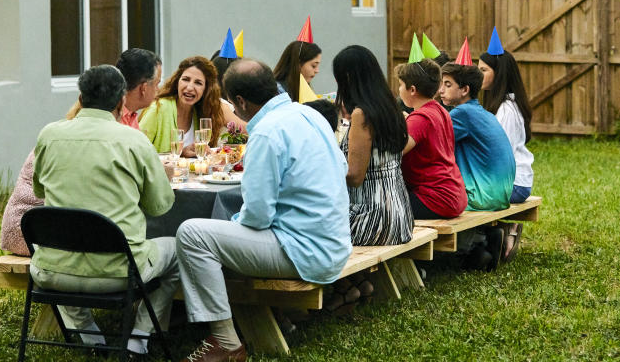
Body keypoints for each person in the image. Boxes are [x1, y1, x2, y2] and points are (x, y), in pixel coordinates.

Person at [175, 59, 351, 362]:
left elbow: (257, 215)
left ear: (240, 101)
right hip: (334, 243)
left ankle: (225, 341)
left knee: (192, 233)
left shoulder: (267, 132)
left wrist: (229, 221)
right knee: (221, 231)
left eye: (232, 102)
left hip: (303, 251)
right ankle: (276, 314)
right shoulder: (309, 114)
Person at [31, 65, 177, 355]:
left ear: (81, 98)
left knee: (66, 246)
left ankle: (90, 336)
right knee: (179, 249)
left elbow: (39, 191)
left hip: (50, 271)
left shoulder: (49, 134)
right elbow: (159, 206)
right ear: (121, 101)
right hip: (120, 272)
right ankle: (139, 338)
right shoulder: (134, 141)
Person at [0, 48, 163, 254]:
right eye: (157, 82)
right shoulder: (109, 133)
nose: (159, 88)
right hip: (38, 234)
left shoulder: (62, 130)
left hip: (50, 230)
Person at [334, 45, 414, 246]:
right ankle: (358, 280)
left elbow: (354, 177)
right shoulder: (391, 108)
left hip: (372, 218)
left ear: (349, 78)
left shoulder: (362, 115)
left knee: (307, 228)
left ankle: (352, 279)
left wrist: (322, 172)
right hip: (400, 216)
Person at [479, 49, 534, 262]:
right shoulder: (501, 106)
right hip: (509, 181)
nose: (478, 74)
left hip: (513, 184)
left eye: (483, 70)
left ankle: (504, 228)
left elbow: (499, 154)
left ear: (499, 73)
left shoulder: (506, 111)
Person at [439, 63, 515, 212]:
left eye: (448, 85)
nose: (441, 90)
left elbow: (431, 141)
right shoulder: (481, 112)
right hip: (502, 195)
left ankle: (476, 236)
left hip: (482, 198)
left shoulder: (462, 114)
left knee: (427, 199)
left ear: (465, 90)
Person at [396, 59, 467, 220]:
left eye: (400, 85)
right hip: (455, 194)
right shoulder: (439, 111)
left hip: (435, 199)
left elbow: (394, 151)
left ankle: (475, 239)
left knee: (383, 207)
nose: (399, 89)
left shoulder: (420, 118)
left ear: (412, 89)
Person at [139, 56, 230, 157]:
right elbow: (137, 153)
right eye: (186, 79)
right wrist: (181, 154)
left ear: (206, 90)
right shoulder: (158, 108)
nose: (190, 87)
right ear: (177, 81)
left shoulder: (201, 112)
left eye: (198, 83)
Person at [117, 48, 163, 128]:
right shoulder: (114, 120)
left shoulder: (130, 114)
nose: (158, 90)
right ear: (143, 88)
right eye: (156, 84)